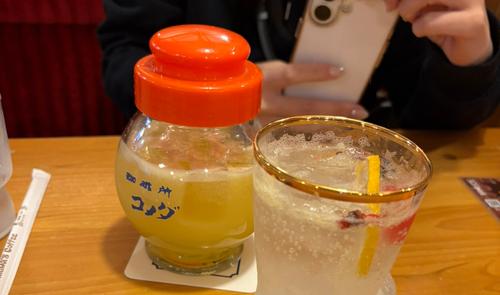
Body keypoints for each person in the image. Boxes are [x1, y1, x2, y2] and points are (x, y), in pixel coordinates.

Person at [97, 0, 499, 129]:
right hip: (202, 163)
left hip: (348, 178)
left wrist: (466, 64)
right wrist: (217, 103)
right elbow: (124, 56)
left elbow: (431, 123)